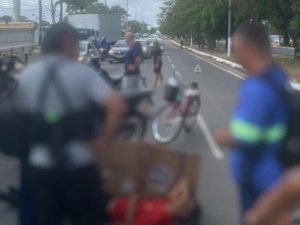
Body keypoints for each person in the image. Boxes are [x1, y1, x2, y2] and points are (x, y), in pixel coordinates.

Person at [16, 23, 127, 225]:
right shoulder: (83, 74)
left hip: (40, 167)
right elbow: (117, 106)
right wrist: (103, 142)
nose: (77, 52)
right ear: (68, 44)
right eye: (77, 46)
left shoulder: (26, 76)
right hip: (80, 165)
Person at [214, 23, 289, 221]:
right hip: (273, 172)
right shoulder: (277, 75)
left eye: (236, 48)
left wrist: (220, 136)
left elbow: (245, 136)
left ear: (248, 48)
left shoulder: (258, 88)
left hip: (258, 177)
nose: (235, 54)